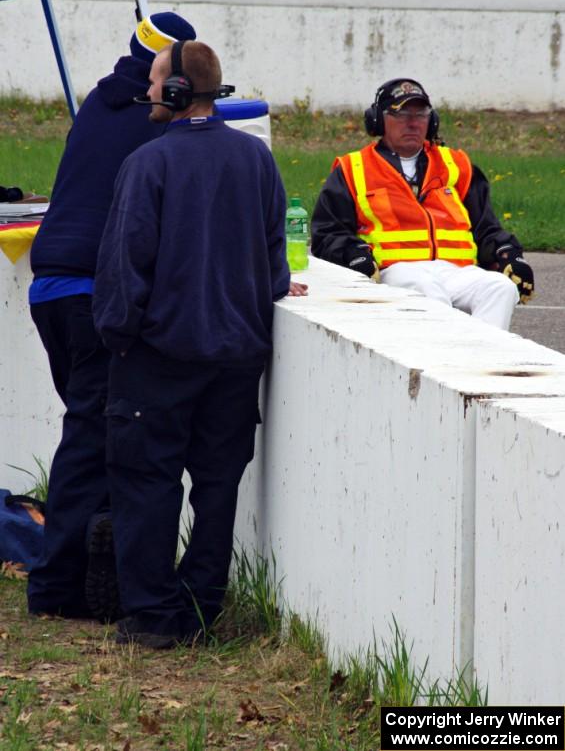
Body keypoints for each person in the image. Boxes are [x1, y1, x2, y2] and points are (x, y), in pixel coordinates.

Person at [92, 40, 291, 648]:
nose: (148, 92)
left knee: (146, 483)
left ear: (177, 92)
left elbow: (124, 268)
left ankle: (152, 617)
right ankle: (202, 612)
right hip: (237, 359)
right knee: (217, 486)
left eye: (155, 83)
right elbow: (275, 266)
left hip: (159, 358)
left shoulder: (148, 163)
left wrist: (119, 337)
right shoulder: (258, 162)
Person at [27, 12, 197, 622]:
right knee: (92, 438)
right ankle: (55, 588)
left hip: (47, 287)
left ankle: (89, 574)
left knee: (94, 433)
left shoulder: (99, 104)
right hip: (91, 292)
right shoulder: (154, 123)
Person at [311, 78, 534, 329]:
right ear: (377, 120)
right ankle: (442, 363)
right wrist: (353, 253)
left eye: (421, 113)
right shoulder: (353, 169)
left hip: (456, 271)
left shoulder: (457, 165)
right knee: (426, 288)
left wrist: (508, 252)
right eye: (402, 113)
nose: (413, 122)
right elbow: (327, 233)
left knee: (500, 288)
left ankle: (477, 359)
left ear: (432, 120)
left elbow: (486, 227)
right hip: (394, 271)